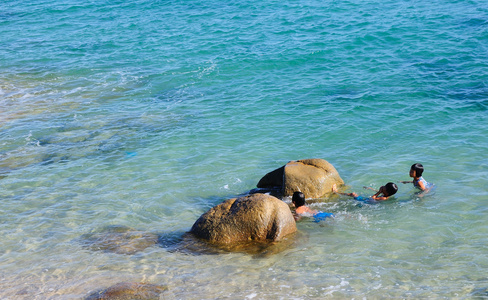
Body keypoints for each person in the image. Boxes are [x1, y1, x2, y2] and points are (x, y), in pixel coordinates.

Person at [332, 182, 398, 202]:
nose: (383, 186)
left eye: (384, 187)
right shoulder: (386, 195)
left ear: (387, 192)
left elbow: (372, 198)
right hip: (368, 201)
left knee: (353, 194)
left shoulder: (384, 198)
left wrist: (379, 192)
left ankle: (336, 192)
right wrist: (371, 189)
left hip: (367, 203)